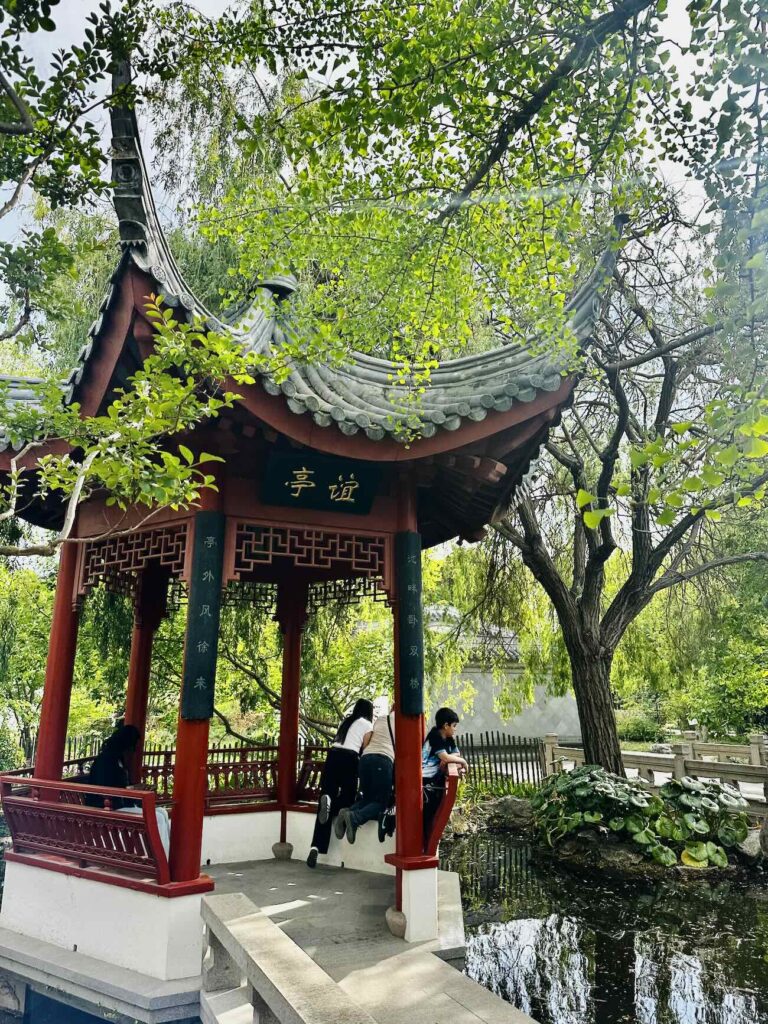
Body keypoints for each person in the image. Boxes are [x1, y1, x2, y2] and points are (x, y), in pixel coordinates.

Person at [307, 698, 374, 868]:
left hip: (333, 756)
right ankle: (332, 803)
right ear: (368, 712)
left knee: (325, 799)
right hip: (349, 759)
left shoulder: (346, 721)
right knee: (348, 798)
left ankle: (315, 847)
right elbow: (365, 748)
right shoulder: (367, 724)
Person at [85, 724, 170, 856]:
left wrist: (136, 788)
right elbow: (105, 788)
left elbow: (124, 785)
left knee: (163, 812)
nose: (134, 750)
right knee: (156, 817)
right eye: (133, 745)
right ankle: (160, 858)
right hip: (108, 807)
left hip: (120, 804)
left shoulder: (119, 759)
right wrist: (132, 789)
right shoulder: (105, 761)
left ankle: (167, 854)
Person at [335, 706, 395, 845]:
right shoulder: (402, 724)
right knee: (382, 803)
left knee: (368, 799)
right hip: (383, 759)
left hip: (365, 759)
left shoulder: (380, 719)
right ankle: (354, 818)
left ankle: (346, 812)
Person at [421, 707, 467, 848]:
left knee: (434, 811)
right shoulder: (435, 736)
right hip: (425, 778)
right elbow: (446, 757)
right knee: (428, 813)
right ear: (445, 725)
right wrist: (464, 762)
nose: (455, 729)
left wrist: (449, 759)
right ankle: (425, 843)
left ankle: (429, 842)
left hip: (434, 778)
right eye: (454, 726)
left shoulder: (448, 739)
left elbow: (455, 754)